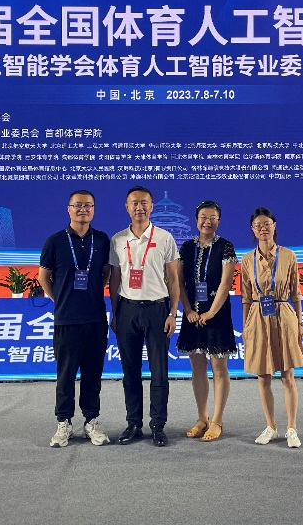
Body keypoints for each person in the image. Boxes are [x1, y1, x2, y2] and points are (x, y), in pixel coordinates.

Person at [38, 190, 112, 448]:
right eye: (78, 205)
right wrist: (59, 299)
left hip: (95, 318)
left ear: (94, 209)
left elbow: (106, 273)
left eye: (88, 205)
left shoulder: (101, 240)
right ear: (68, 209)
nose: (83, 210)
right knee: (66, 374)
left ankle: (91, 421)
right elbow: (43, 276)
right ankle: (64, 422)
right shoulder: (55, 241)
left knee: (93, 373)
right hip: (67, 319)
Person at [108, 186, 181, 447]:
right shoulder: (117, 240)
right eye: (134, 203)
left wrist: (173, 312)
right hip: (127, 309)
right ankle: (134, 424)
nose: (139, 207)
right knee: (130, 371)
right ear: (127, 207)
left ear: (152, 206)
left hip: (157, 310)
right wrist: (115, 313)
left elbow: (173, 279)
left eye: (144, 203)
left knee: (159, 371)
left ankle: (158, 425)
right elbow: (114, 279)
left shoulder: (164, 238)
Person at [240, 207, 303, 448]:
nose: (263, 229)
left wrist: (299, 323)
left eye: (266, 224)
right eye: (258, 225)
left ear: (274, 226)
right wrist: (246, 326)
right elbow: (245, 297)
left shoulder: (288, 256)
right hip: (258, 316)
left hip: (284, 316)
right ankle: (271, 427)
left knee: (288, 376)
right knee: (263, 377)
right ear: (252, 229)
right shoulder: (247, 260)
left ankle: (292, 428)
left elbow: (296, 293)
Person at [176, 200, 238, 442]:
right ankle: (202, 418)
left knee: (218, 367)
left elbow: (226, 282)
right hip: (192, 314)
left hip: (217, 314)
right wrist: (188, 309)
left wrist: (211, 312)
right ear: (196, 220)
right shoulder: (186, 248)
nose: (207, 221)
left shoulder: (225, 247)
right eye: (203, 217)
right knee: (198, 367)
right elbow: (179, 282)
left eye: (212, 217)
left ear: (218, 221)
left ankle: (217, 420)